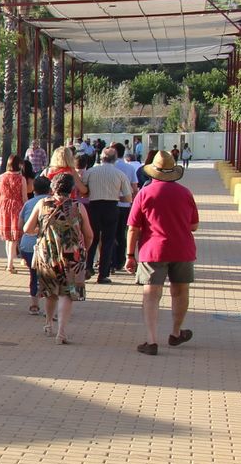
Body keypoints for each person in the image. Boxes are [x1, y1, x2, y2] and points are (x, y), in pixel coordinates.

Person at [127, 150, 198, 355]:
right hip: (182, 249)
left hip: (153, 250)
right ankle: (175, 332)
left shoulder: (144, 193)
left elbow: (133, 228)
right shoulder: (185, 193)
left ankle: (151, 340)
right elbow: (194, 225)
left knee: (151, 294)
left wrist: (130, 255)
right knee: (180, 291)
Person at [25, 172, 92, 344]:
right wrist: (84, 248)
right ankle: (61, 332)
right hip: (72, 255)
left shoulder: (42, 204)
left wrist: (40, 231)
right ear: (71, 189)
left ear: (52, 188)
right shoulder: (78, 207)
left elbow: (27, 229)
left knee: (51, 292)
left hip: (48, 255)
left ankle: (48, 324)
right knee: (67, 294)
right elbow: (89, 234)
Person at [83, 147, 129, 283]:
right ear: (115, 159)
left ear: (101, 158)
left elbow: (83, 190)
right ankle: (103, 274)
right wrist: (116, 197)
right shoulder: (119, 174)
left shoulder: (90, 172)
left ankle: (88, 267)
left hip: (94, 206)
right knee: (108, 241)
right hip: (112, 207)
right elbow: (128, 198)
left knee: (92, 238)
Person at [18, 175, 52, 313]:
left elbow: (20, 226)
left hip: (28, 245)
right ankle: (51, 307)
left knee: (33, 275)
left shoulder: (28, 204)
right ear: (50, 189)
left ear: (34, 189)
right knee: (50, 277)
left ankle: (34, 304)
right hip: (48, 245)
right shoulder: (53, 203)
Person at [0, 154, 28, 272]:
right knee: (14, 237)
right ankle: (10, 264)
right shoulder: (21, 179)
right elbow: (24, 197)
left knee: (7, 236)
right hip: (17, 207)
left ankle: (9, 262)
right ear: (19, 164)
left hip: (4, 207)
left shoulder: (1, 177)